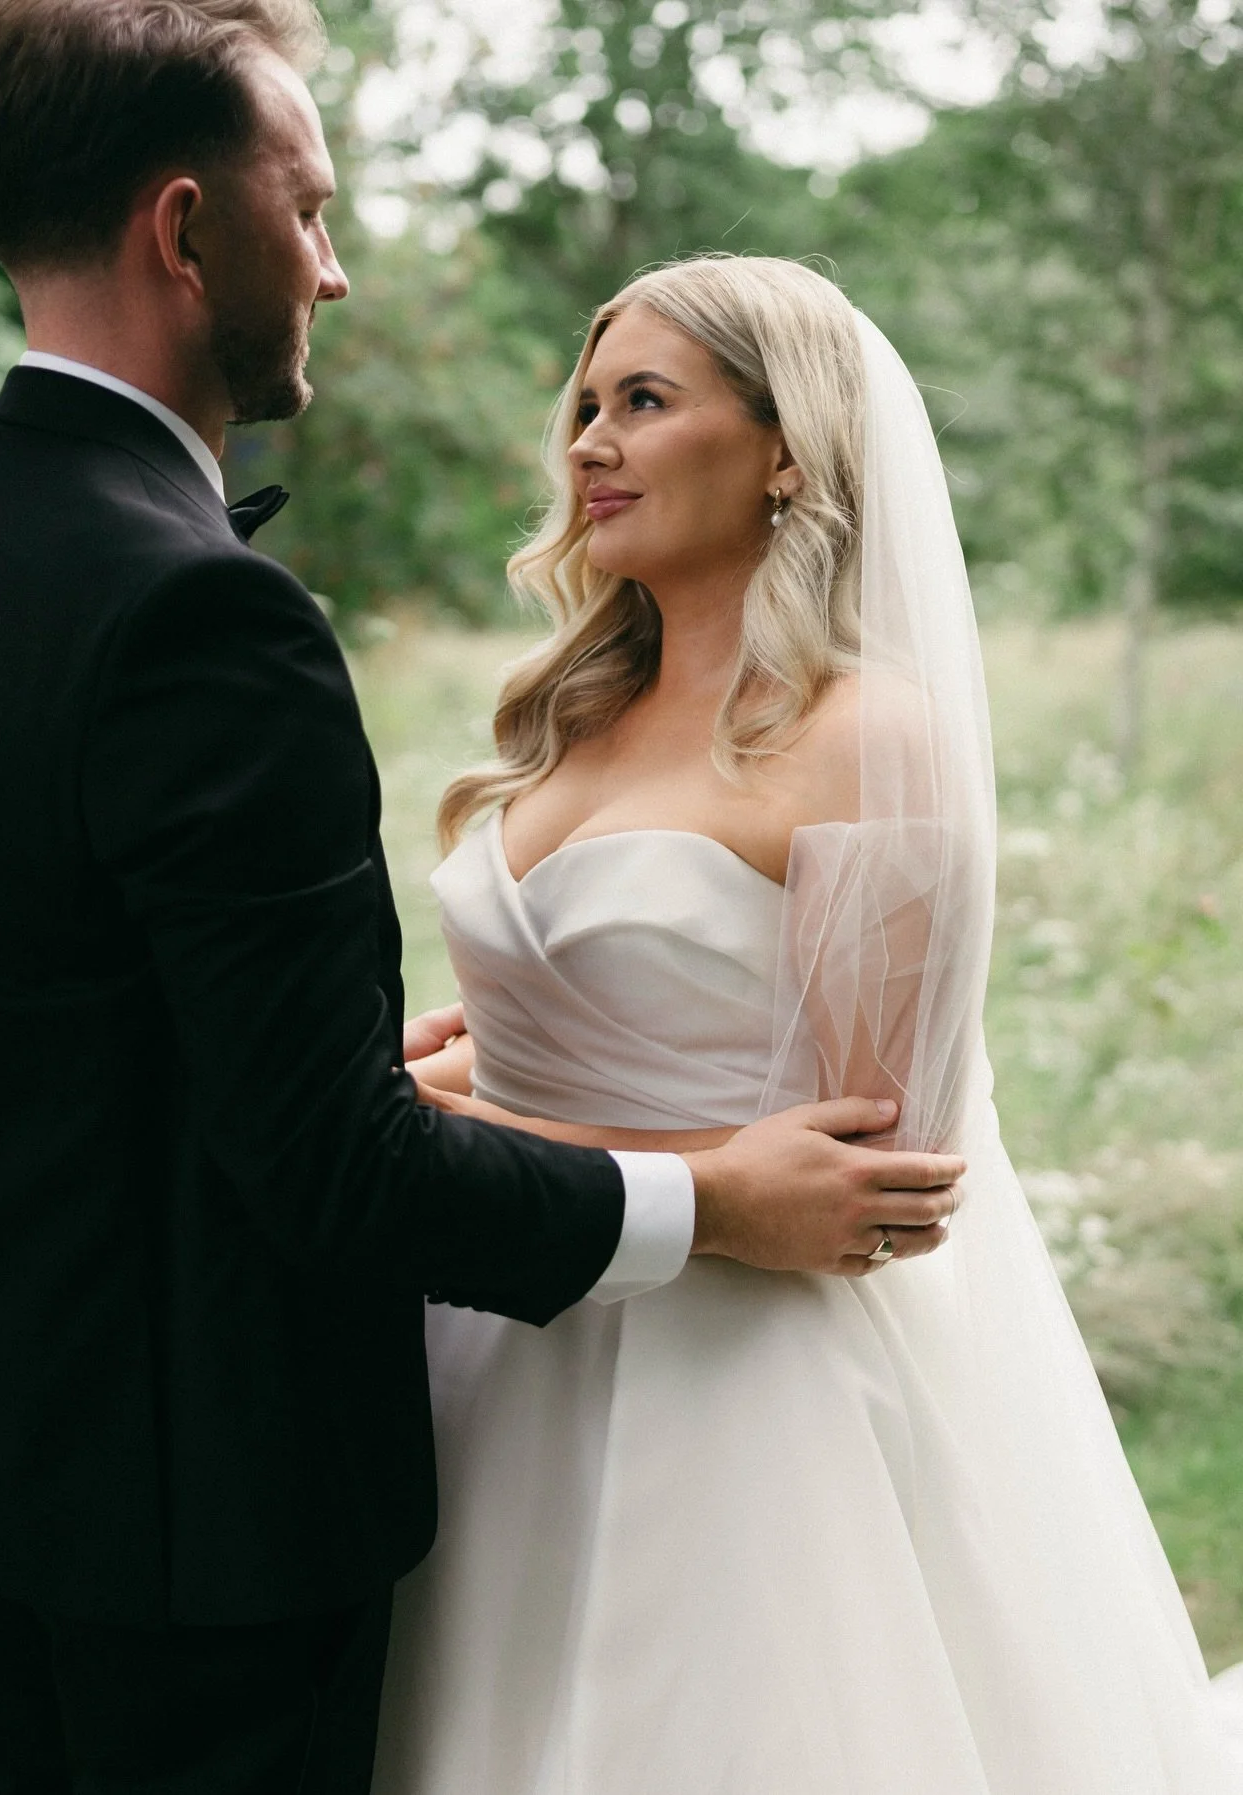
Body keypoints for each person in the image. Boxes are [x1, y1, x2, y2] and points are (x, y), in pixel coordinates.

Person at [0, 6, 967, 1791]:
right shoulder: (199, 612)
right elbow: (328, 1165)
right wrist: (705, 1199)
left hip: (8, 1488)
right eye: (309, 206)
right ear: (188, 231)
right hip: (209, 1545)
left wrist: (390, 1086)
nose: (336, 270)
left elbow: (67, 1042)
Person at [373, 256, 1243, 1793]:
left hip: (733, 1402)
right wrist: (456, 1073)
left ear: (786, 448)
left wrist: (475, 1133)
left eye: (644, 400)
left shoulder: (863, 739)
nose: (587, 441)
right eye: (583, 404)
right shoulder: (565, 713)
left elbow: (878, 1201)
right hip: (491, 1361)